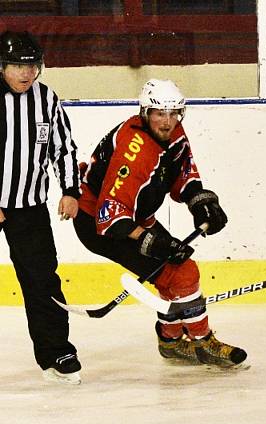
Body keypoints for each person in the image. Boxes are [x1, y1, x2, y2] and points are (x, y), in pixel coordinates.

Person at [73, 79, 246, 369]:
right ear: (145, 113)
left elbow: (183, 175)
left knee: (175, 273)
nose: (167, 121)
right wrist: (154, 241)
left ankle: (171, 341)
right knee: (181, 272)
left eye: (173, 113)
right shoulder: (135, 149)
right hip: (99, 225)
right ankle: (201, 339)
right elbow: (111, 214)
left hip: (133, 217)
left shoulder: (174, 132)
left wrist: (201, 203)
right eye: (159, 113)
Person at [0, 31, 83, 384]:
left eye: (32, 65)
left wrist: (70, 189)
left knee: (42, 281)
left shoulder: (46, 99)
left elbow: (62, 148)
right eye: (18, 65)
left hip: (29, 208)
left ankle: (55, 351)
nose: (26, 73)